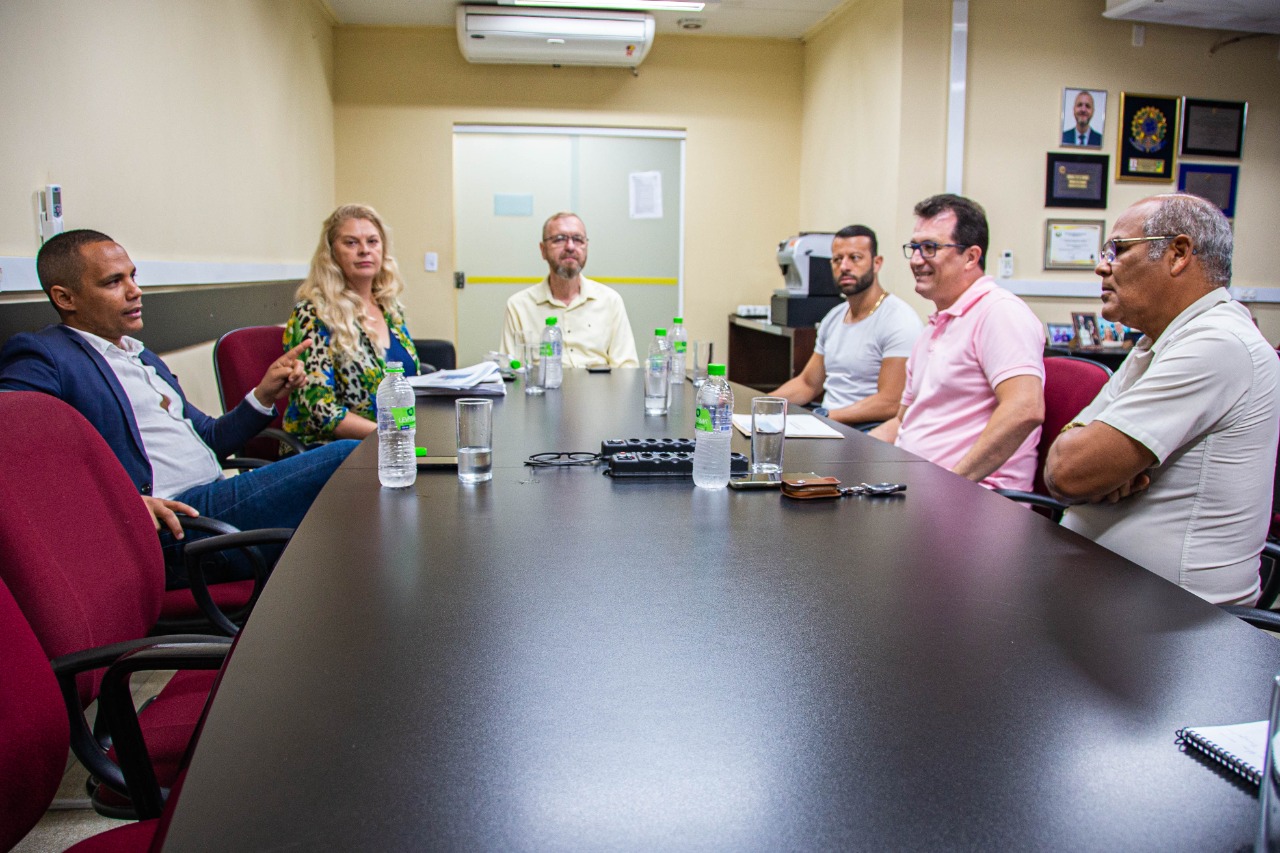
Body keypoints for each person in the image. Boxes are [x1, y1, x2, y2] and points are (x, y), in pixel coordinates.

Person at [0, 229, 357, 584]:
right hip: (177, 527)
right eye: (113, 282)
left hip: (215, 500)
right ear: (65, 298)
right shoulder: (44, 354)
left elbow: (211, 438)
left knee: (351, 521)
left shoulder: (141, 355)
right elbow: (18, 461)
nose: (134, 290)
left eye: (133, 276)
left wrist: (263, 394)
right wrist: (119, 504)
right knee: (350, 458)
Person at [1045, 194, 1279, 605]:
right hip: (1113, 593)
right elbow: (1065, 461)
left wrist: (1095, 468)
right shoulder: (1156, 344)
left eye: (1118, 250)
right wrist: (1100, 468)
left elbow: (1068, 472)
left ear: (1179, 253)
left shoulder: (1217, 344)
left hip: (1175, 619)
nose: (1102, 266)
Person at [869, 194, 1045, 490]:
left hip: (973, 499)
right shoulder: (936, 326)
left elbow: (1025, 409)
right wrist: (842, 452)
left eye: (930, 248)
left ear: (971, 257)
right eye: (913, 248)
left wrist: (953, 484)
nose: (915, 260)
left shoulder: (999, 312)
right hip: (917, 488)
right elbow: (902, 423)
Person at [284, 204, 420, 447]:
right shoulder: (314, 313)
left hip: (390, 444)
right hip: (330, 452)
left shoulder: (390, 310)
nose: (365, 250)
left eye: (372, 241)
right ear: (332, 253)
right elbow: (321, 410)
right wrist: (391, 434)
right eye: (351, 243)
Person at [770, 225, 921, 426]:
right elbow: (807, 384)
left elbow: (890, 402)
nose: (844, 267)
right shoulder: (834, 317)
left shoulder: (899, 320)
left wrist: (823, 417)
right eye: (837, 259)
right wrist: (761, 406)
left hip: (867, 430)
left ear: (877, 263)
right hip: (828, 422)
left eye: (855, 258)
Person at [500, 212, 639, 368]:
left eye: (578, 239)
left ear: (586, 247)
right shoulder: (519, 306)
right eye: (559, 239)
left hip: (599, 390)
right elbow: (510, 372)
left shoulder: (610, 301)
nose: (570, 247)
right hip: (542, 390)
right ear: (543, 250)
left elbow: (627, 369)